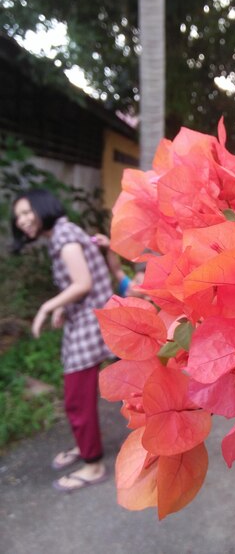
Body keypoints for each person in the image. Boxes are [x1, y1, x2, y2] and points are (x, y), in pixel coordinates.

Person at [12, 188, 113, 492]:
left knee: (76, 399)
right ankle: (86, 449)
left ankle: (93, 465)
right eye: (18, 217)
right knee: (79, 398)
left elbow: (83, 283)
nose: (22, 221)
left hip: (90, 326)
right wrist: (63, 308)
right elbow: (79, 284)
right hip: (88, 320)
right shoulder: (64, 232)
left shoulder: (64, 238)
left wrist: (48, 306)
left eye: (27, 212)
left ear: (43, 208)